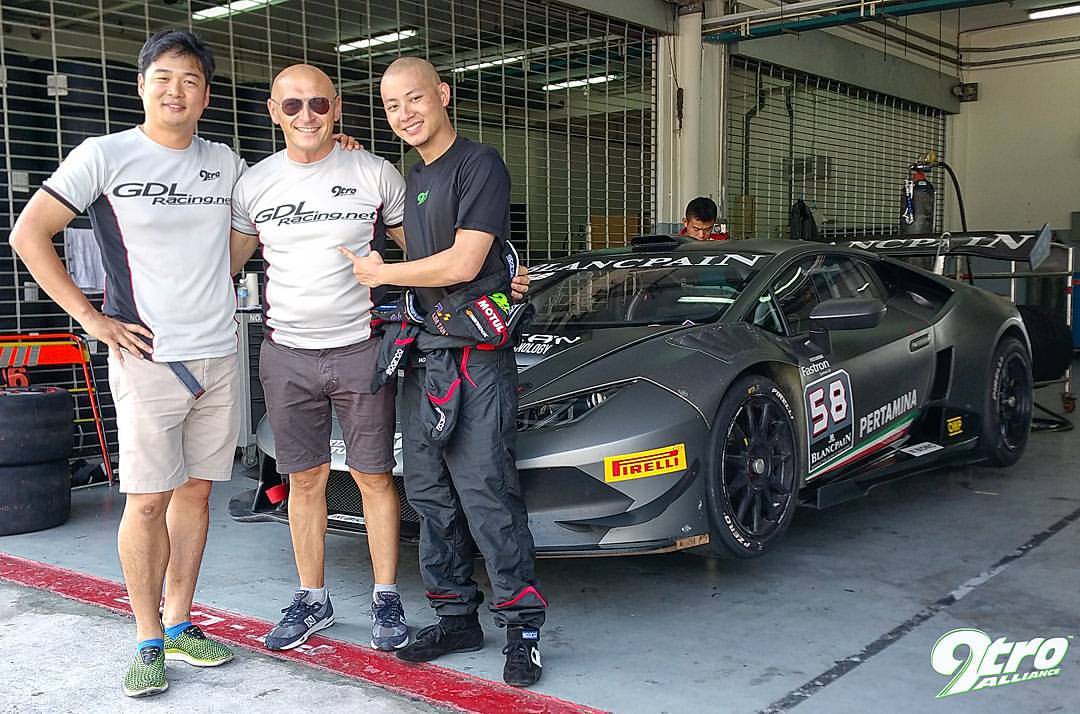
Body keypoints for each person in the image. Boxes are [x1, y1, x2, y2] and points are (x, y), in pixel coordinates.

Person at [9, 29, 241, 697]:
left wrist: (332, 146)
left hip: (220, 354)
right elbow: (29, 232)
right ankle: (145, 638)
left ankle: (179, 622)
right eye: (163, 77)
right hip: (146, 358)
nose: (176, 89)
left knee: (197, 494)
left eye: (190, 79)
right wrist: (91, 320)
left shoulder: (224, 162)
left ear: (205, 94)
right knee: (146, 503)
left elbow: (261, 217)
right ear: (142, 86)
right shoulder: (104, 155)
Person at [342, 56, 546, 688]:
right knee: (429, 494)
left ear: (444, 96)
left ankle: (523, 628)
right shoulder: (414, 177)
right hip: (425, 356)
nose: (405, 113)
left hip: (477, 359)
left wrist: (380, 275)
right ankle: (456, 615)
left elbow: (462, 263)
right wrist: (342, 151)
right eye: (391, 105)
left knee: (487, 493)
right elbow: (425, 249)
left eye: (415, 99)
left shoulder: (480, 164)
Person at [229, 64, 411, 652]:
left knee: (374, 477)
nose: (306, 116)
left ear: (336, 108)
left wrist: (494, 281)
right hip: (286, 354)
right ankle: (313, 600)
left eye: (317, 104)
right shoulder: (253, 184)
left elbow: (426, 252)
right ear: (273, 112)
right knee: (302, 479)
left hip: (361, 347)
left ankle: (386, 597)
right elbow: (226, 267)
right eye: (292, 106)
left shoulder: (374, 172)